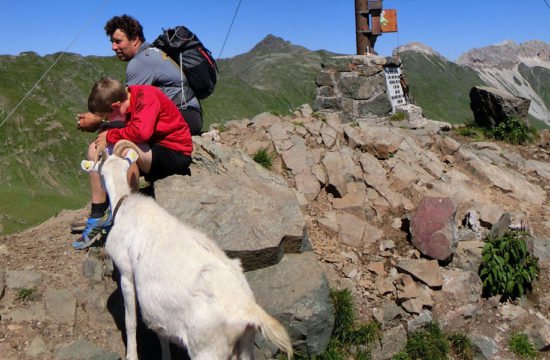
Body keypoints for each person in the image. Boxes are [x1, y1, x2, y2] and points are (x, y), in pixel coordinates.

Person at [73, 77, 193, 250]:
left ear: (114, 106)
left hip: (174, 153)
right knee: (95, 148)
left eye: (106, 116)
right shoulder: (128, 98)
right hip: (152, 147)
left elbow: (141, 132)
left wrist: (110, 135)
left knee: (122, 148)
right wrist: (106, 134)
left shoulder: (147, 97)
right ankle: (97, 213)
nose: (106, 120)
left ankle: (128, 216)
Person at [77, 14, 203, 136]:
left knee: (114, 132)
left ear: (135, 40)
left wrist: (98, 119)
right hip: (190, 114)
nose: (113, 47)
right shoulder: (153, 53)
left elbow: (126, 109)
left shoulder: (139, 62)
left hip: (183, 117)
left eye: (118, 41)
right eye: (112, 42)